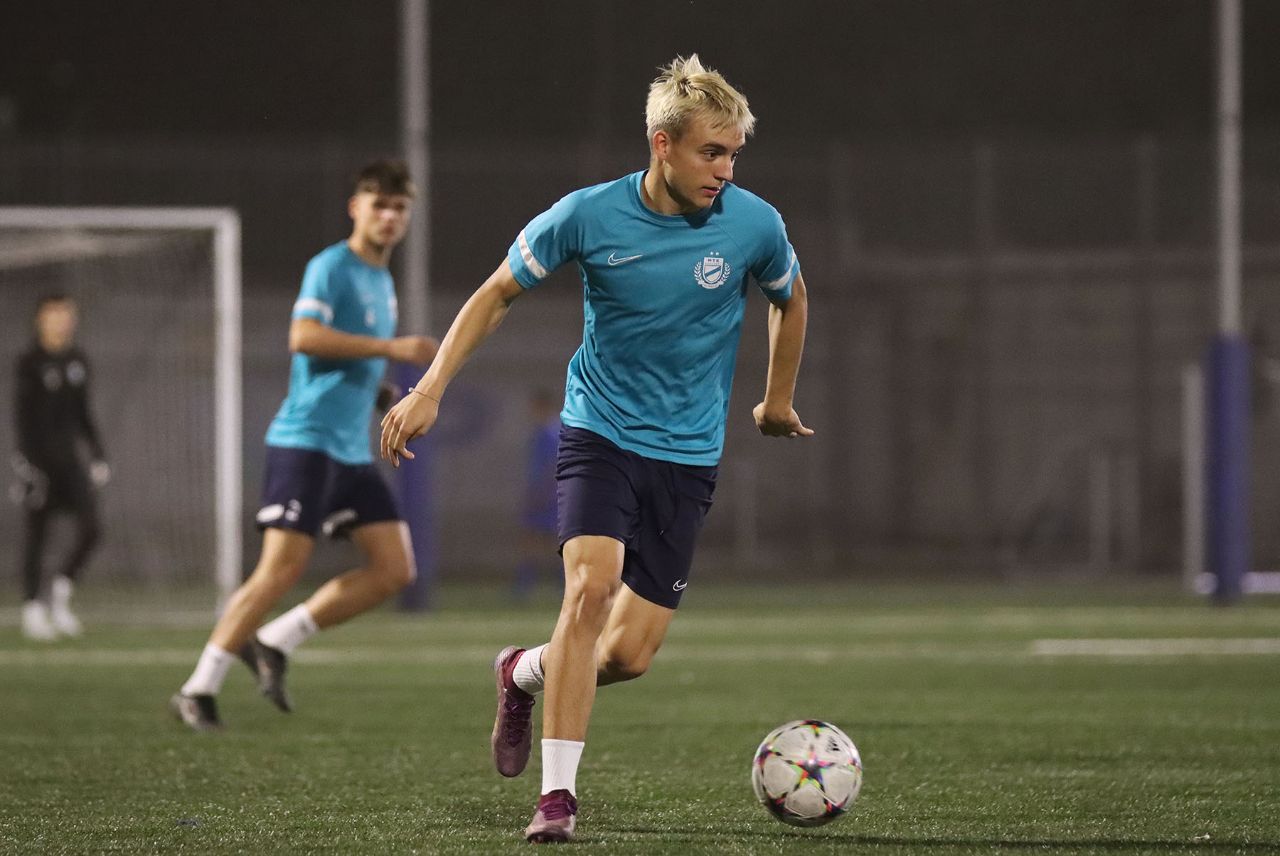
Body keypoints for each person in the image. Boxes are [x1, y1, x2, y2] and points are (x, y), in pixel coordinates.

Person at [380, 55, 811, 843]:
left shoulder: (754, 224)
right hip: (599, 434)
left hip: (688, 456)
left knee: (629, 657)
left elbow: (791, 295)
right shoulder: (586, 215)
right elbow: (496, 293)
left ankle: (522, 671)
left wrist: (776, 398)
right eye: (711, 152)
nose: (725, 169)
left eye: (733, 154)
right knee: (589, 590)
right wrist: (431, 387)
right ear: (662, 145)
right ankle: (557, 799)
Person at [171, 159, 439, 731]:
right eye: (379, 204)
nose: (389, 216)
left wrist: (379, 392)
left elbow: (349, 356)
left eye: (399, 207)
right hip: (307, 441)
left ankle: (275, 639)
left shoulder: (381, 280)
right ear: (355, 207)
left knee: (395, 569)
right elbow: (304, 336)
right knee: (279, 571)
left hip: (349, 451)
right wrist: (391, 349)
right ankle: (198, 688)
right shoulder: (331, 266)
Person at [13, 294, 109, 640]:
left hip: (70, 463)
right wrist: (26, 463)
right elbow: (22, 418)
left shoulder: (77, 360)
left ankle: (59, 596)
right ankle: (32, 609)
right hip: (40, 463)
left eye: (67, 314)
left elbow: (83, 414)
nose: (62, 321)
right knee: (38, 535)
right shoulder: (30, 362)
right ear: (41, 318)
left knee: (92, 528)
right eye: (55, 314)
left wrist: (97, 454)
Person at [512, 388, 561, 601]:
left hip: (549, 497)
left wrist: (543, 493)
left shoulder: (551, 433)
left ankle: (560, 584)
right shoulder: (540, 433)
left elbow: (554, 466)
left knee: (550, 541)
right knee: (533, 540)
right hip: (542, 495)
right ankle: (525, 585)